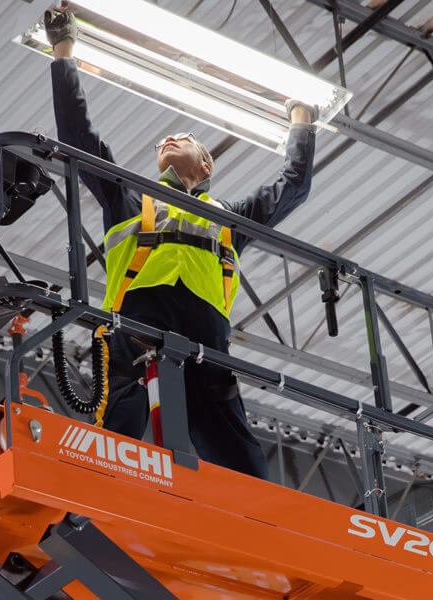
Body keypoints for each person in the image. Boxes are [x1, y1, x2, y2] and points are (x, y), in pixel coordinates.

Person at [45, 8, 316, 479]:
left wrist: (302, 117)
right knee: (115, 434)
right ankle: (99, 495)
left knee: (234, 446)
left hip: (207, 336)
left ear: (207, 165)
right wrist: (63, 50)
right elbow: (78, 137)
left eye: (182, 137)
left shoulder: (229, 218)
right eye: (161, 142)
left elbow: (292, 186)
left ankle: (257, 518)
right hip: (132, 323)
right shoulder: (126, 196)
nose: (166, 139)